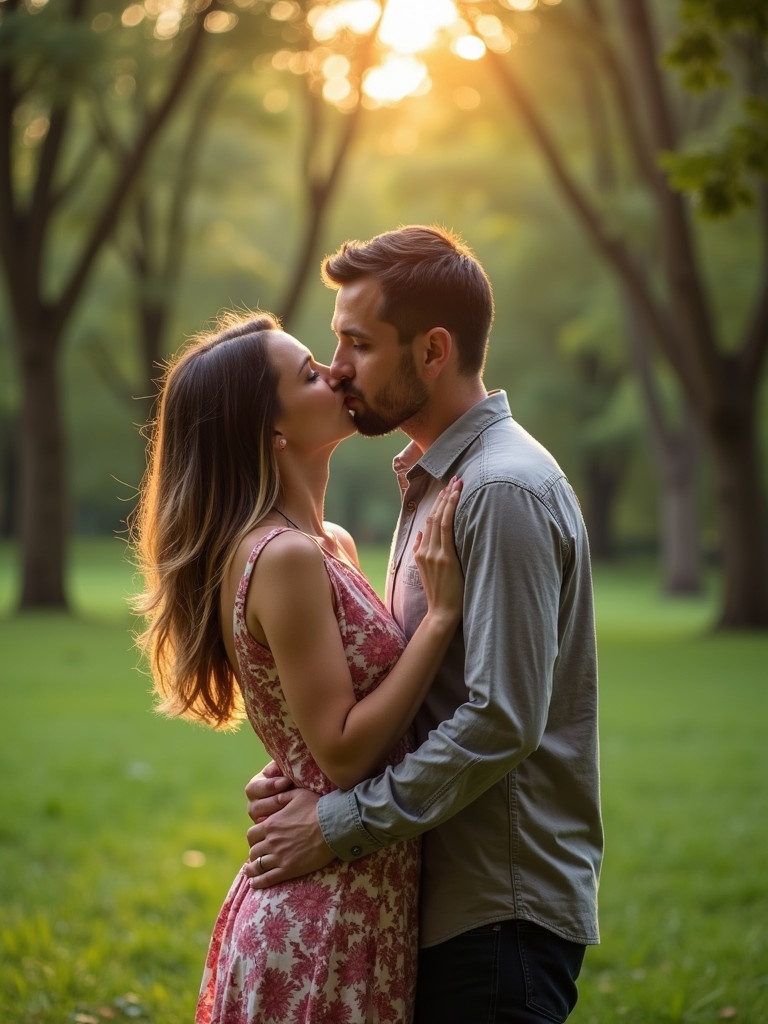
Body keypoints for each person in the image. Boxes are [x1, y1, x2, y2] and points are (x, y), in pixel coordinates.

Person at [243, 226, 603, 1024]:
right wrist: (307, 771)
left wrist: (337, 825)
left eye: (358, 344)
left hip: (496, 915)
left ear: (433, 351)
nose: (337, 368)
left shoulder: (502, 491)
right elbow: (407, 691)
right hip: (436, 907)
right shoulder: (438, 483)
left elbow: (502, 718)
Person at [130, 309, 465, 1023]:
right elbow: (341, 753)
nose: (338, 372)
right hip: (320, 919)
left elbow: (315, 731)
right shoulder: (280, 558)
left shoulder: (328, 544)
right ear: (272, 431)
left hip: (362, 894)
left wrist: (290, 762)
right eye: (311, 374)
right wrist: (439, 621)